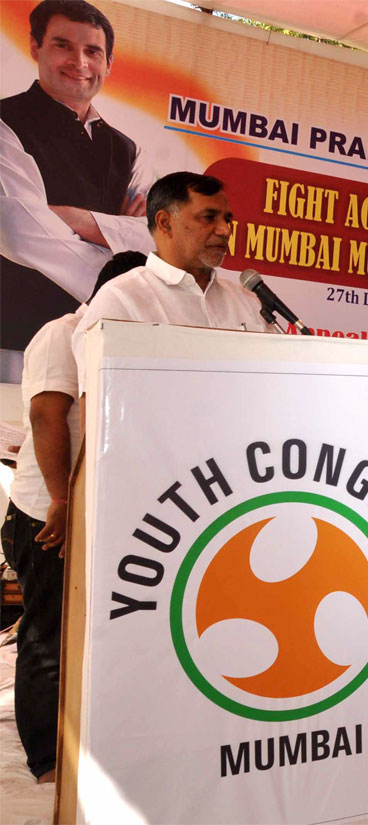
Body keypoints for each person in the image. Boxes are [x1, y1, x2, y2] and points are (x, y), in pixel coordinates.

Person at [0, 250, 142, 783]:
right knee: (49, 638)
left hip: (103, 516)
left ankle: (94, 744)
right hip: (49, 517)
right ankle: (47, 763)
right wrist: (64, 501)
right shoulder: (62, 335)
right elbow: (46, 416)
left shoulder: (122, 342)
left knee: (99, 638)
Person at [2, 0, 155, 364]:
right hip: (13, 339)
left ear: (109, 64)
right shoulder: (6, 123)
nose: (80, 63)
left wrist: (71, 217)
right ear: (36, 47)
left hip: (101, 345)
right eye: (63, 46)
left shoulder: (126, 149)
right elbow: (22, 234)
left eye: (92, 51)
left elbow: (155, 237)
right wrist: (117, 250)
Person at [70, 172, 272, 381]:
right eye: (209, 217)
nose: (225, 230)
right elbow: (95, 405)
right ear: (165, 222)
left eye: (227, 219)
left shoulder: (247, 302)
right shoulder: (120, 300)